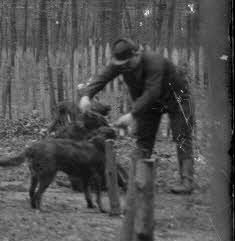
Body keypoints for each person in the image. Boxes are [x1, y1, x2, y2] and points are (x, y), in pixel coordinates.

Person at [77, 36, 195, 194]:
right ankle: (138, 180)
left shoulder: (155, 62)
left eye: (127, 63)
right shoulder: (121, 63)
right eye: (121, 65)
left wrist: (132, 114)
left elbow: (152, 91)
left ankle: (187, 182)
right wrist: (86, 95)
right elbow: (102, 78)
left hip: (177, 98)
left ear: (137, 54)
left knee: (182, 137)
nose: (124, 67)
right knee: (143, 139)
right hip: (149, 103)